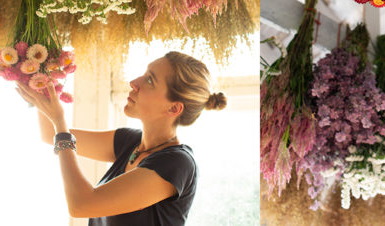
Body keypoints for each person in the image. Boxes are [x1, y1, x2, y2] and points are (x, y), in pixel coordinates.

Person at [15, 51, 227, 225]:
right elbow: (48, 134)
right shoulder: (131, 143)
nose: (134, 82)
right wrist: (38, 74)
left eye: (150, 80)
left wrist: (60, 122)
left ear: (174, 108)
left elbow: (80, 204)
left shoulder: (177, 164)